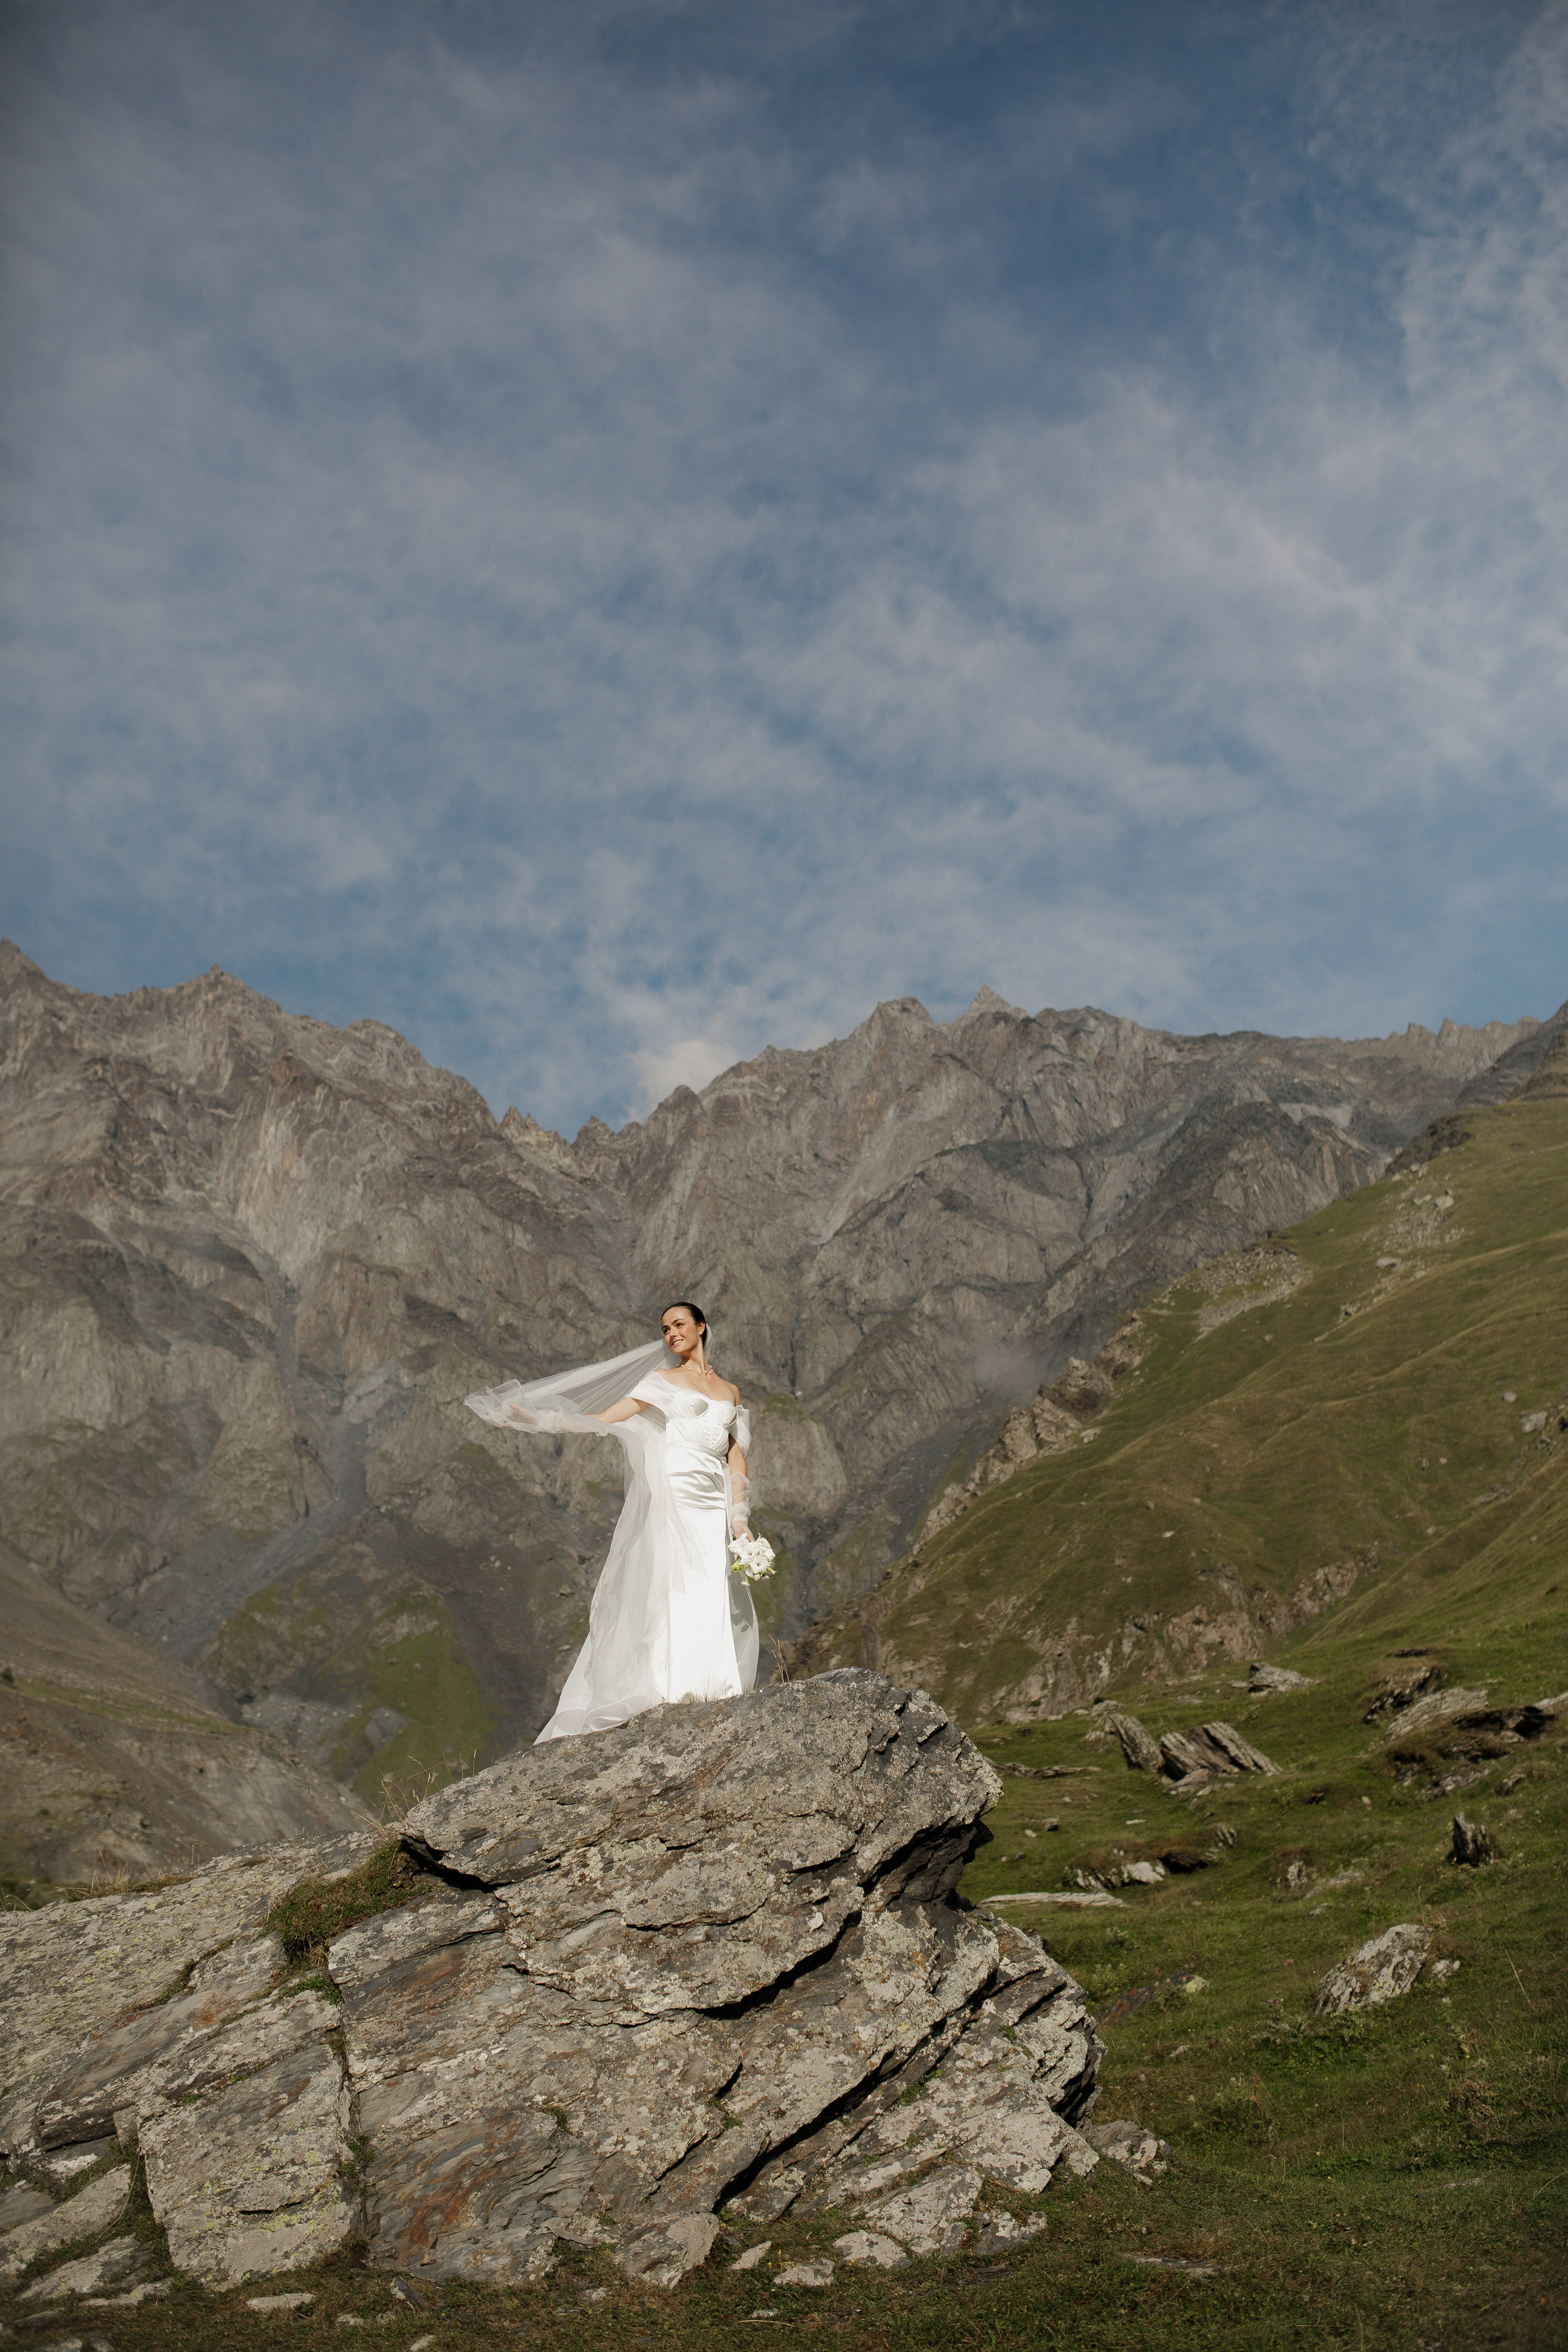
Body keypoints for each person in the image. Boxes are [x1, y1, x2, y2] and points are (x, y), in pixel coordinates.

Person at [465, 1300, 759, 1741]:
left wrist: (739, 1519)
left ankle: (713, 1687)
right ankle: (671, 1687)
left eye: (679, 1325)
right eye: (664, 1329)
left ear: (701, 1327)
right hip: (674, 1491)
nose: (671, 1334)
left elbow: (735, 1455)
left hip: (712, 1500)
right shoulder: (662, 1382)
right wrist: (539, 1420)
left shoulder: (730, 1391)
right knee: (676, 1580)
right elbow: (606, 1419)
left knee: (712, 1582)